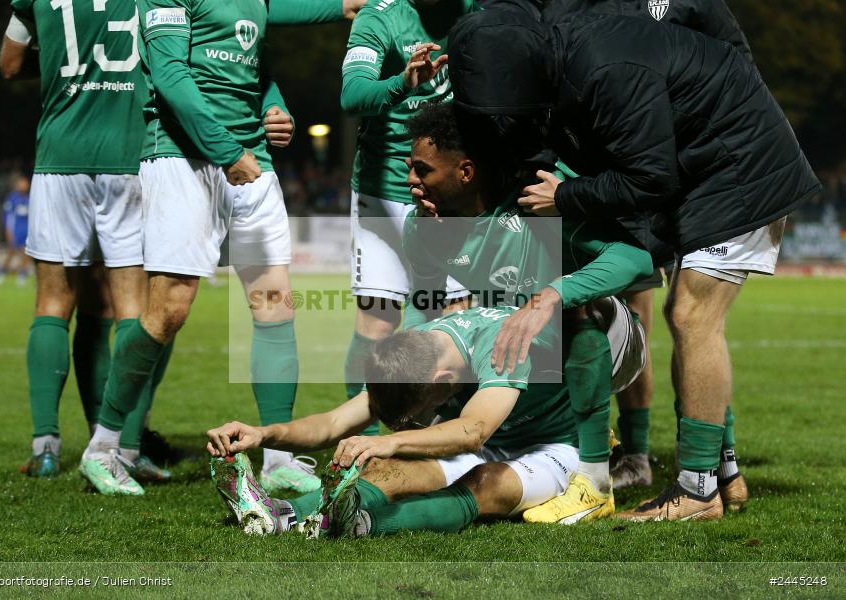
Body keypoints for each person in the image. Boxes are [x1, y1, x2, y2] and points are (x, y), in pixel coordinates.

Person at [448, 4, 821, 520]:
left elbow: (650, 178)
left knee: (692, 315)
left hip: (738, 167)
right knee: (687, 316)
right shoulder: (565, 53)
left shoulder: (603, 67)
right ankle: (723, 474)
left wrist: (568, 196)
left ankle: (697, 493)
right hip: (703, 165)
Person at [78, 0, 363, 496]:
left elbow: (255, 61)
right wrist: (225, 150)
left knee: (274, 303)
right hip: (184, 157)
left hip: (250, 159)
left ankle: (277, 458)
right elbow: (169, 74)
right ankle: (102, 447)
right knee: (168, 310)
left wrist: (275, 106)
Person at [539, 0, 758, 505]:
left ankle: (680, 463)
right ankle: (694, 465)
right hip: (626, 166)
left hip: (680, 169)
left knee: (682, 317)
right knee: (669, 314)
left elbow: (735, 64)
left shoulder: (692, 3)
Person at [400, 101, 652, 522]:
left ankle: (594, 481)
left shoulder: (533, 203)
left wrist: (553, 293)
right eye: (409, 167)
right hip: (528, 339)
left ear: (465, 171)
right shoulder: (422, 226)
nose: (411, 181)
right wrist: (413, 358)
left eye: (423, 170)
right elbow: (422, 299)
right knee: (436, 340)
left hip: (609, 336)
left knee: (578, 317)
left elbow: (635, 260)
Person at [205, 303, 643, 537]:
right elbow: (333, 424)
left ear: (443, 380)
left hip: (555, 444)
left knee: (488, 482)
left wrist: (391, 441)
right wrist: (262, 435)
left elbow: (474, 432)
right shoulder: (414, 356)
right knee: (386, 470)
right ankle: (277, 515)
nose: (404, 424)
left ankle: (360, 524)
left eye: (412, 415)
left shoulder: (498, 344)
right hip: (489, 431)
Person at [0, 0, 172, 481]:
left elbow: (10, 64)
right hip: (130, 154)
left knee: (53, 302)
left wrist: (59, 63)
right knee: (133, 309)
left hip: (60, 156)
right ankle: (127, 448)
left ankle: (46, 447)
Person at [340, 0, 476, 428]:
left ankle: (438, 437)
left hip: (453, 195)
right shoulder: (380, 16)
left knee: (452, 320)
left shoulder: (478, 12)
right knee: (378, 321)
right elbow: (352, 95)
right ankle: (361, 442)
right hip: (386, 193)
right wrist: (401, 82)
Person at [0, 174, 32, 288]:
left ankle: (22, 277)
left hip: (27, 231)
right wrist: (8, 231)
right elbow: (7, 216)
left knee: (26, 254)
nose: (24, 185)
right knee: (11, 252)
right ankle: (1, 275)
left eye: (26, 183)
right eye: (22, 183)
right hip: (15, 230)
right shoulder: (12, 198)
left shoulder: (30, 198)